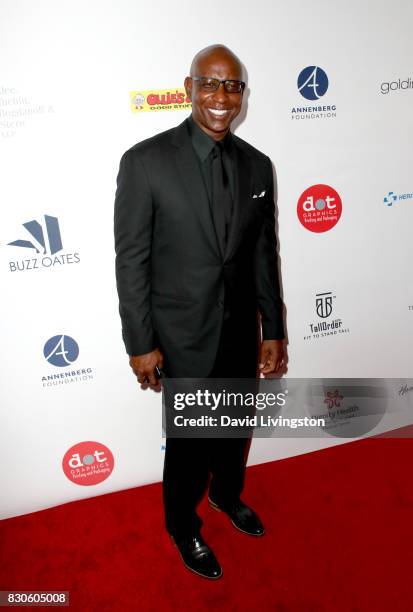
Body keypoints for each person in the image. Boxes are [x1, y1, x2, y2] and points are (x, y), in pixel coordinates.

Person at [114, 44, 285, 580]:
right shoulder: (145, 162)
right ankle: (182, 524)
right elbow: (132, 260)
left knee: (234, 430)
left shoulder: (258, 165)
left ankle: (226, 496)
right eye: (209, 83)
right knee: (188, 447)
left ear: (242, 96)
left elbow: (263, 252)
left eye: (232, 86)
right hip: (181, 335)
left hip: (239, 333)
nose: (221, 96)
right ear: (189, 88)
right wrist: (140, 342)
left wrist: (273, 328)